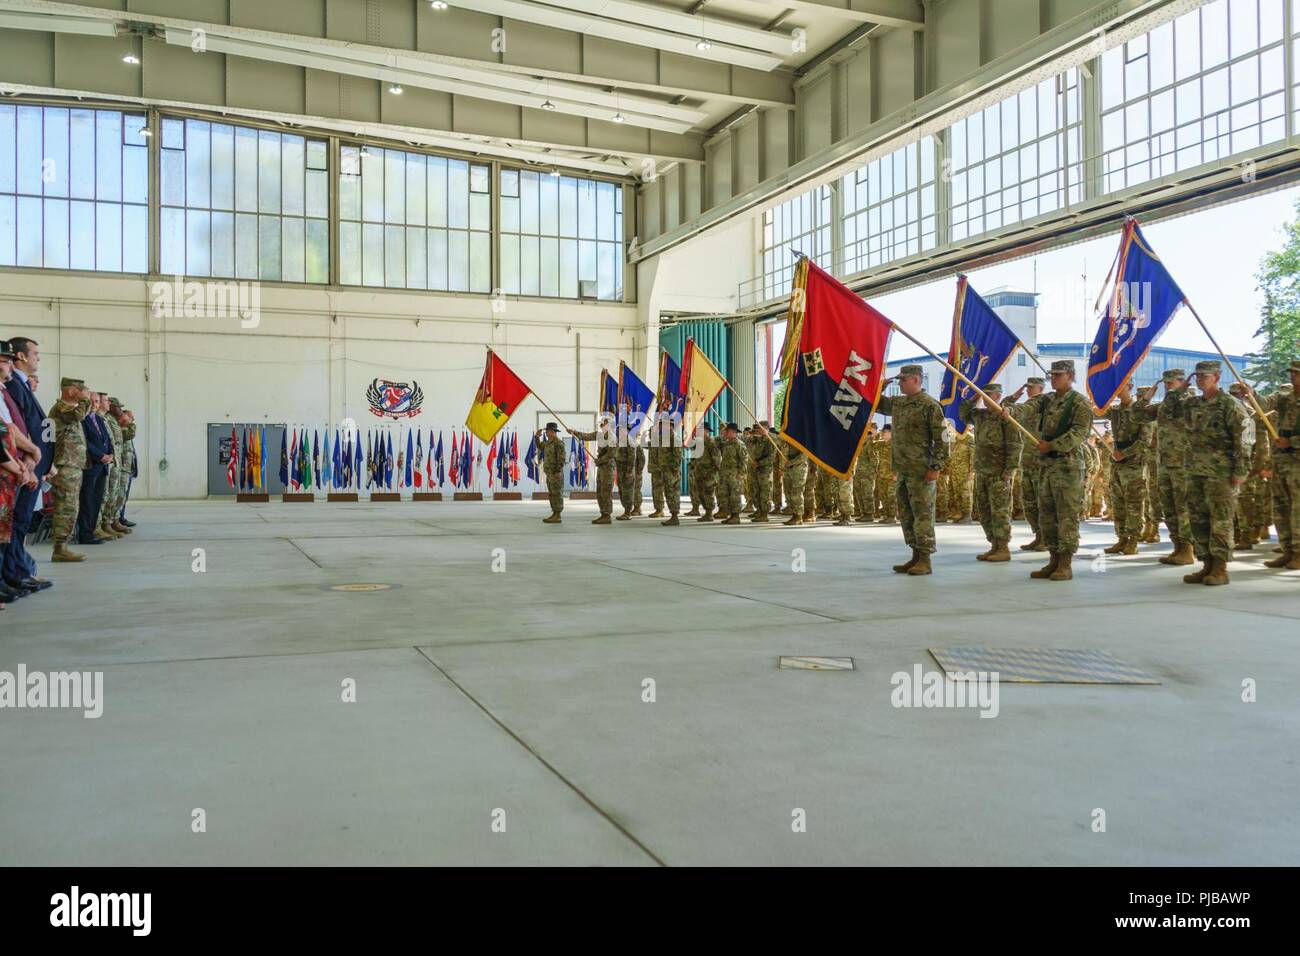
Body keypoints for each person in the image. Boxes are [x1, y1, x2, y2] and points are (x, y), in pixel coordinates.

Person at [1010, 359, 1094, 581]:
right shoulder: (1047, 400)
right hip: (1046, 465)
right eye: (1052, 375)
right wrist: (1008, 410)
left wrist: (1053, 445)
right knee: (1046, 513)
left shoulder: (1079, 402)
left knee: (1066, 514)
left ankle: (1065, 563)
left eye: (1058, 375)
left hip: (1068, 466)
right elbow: (1029, 407)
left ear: (1070, 376)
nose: (1053, 379)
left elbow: (1079, 433)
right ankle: (1053, 559)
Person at [1180, 361, 1249, 586]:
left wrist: (1240, 470)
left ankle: (1220, 568)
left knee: (1220, 520)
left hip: (1221, 472)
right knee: (1199, 520)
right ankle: (1206, 564)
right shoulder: (1192, 404)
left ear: (1217, 377)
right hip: (1195, 470)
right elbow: (1169, 410)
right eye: (1197, 376)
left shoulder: (1230, 404)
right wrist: (1180, 389)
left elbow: (1244, 438)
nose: (1200, 380)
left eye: (1205, 376)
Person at [875, 365, 948, 575]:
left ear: (916, 380)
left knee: (923, 514)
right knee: (907, 515)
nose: (899, 383)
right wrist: (879, 387)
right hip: (903, 469)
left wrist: (935, 466)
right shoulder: (899, 403)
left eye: (903, 380)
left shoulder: (929, 405)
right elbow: (876, 404)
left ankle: (925, 559)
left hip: (921, 470)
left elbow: (943, 439)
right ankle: (915, 554)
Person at [2, 336, 54, 593]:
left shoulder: (19, 387)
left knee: (19, 523)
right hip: (20, 464)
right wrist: (29, 459)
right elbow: (14, 427)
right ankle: (14, 576)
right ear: (21, 356)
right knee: (15, 524)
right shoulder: (13, 387)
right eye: (35, 353)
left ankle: (18, 572)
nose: (38, 358)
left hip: (29, 464)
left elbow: (28, 425)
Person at [1134, 368, 1194, 564]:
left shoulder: (1190, 403)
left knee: (1182, 508)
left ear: (1182, 382)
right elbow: (1138, 415)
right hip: (1165, 463)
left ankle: (1188, 549)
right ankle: (1178, 547)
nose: (1168, 386)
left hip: (1183, 465)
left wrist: (1178, 393)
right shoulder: (1164, 406)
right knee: (1169, 508)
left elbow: (1178, 405)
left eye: (1172, 383)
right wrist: (1145, 399)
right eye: (1166, 383)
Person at [1245, 360, 1299, 570]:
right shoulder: (1284, 399)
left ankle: (1299, 553)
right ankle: (1287, 551)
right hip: (1281, 462)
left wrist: (1292, 442)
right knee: (1281, 508)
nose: (1292, 376)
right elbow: (1263, 404)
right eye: (1291, 372)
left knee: (1297, 510)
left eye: (1296, 373)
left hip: (1297, 462)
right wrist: (1250, 392)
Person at [959, 383, 1021, 562]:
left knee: (1000, 510)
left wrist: (1009, 470)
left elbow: (1015, 444)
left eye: (987, 395)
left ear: (997, 396)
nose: (984, 399)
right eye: (982, 395)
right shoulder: (980, 415)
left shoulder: (1005, 416)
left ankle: (1003, 547)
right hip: (982, 470)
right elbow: (963, 413)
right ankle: (993, 545)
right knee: (984, 510)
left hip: (999, 472)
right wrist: (973, 396)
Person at [1101, 380, 1153, 556]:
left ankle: (1133, 541)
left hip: (1134, 464)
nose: (1117, 392)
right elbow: (1097, 410)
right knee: (1118, 502)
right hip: (1118, 463)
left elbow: (1145, 441)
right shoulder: (1115, 411)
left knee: (1134, 504)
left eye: (1120, 387)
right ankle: (1121, 538)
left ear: (1129, 387)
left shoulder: (1140, 411)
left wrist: (1125, 453)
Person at [49, 377, 93, 562]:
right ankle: (60, 547)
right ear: (70, 391)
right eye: (80, 389)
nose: (84, 392)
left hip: (73, 465)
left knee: (71, 506)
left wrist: (85, 402)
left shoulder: (69, 409)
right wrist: (85, 400)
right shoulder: (62, 408)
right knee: (66, 507)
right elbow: (78, 416)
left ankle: (62, 545)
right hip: (65, 465)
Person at [1007, 376, 1048, 550]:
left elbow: (1017, 410)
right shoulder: (1026, 407)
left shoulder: (1044, 405)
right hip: (1028, 462)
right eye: (1027, 387)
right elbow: (1005, 408)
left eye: (1032, 387)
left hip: (1041, 463)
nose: (1029, 390)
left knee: (1042, 502)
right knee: (1029, 503)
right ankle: (1038, 536)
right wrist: (1013, 397)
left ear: (1041, 388)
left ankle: (1046, 538)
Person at [570, 418, 616, 524]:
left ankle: (607, 515)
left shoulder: (612, 437)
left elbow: (611, 454)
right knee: (600, 491)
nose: (601, 426)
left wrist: (600, 460)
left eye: (603, 424)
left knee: (606, 492)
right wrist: (574, 432)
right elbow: (586, 436)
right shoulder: (600, 435)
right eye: (600, 425)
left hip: (608, 468)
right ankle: (603, 513)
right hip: (601, 467)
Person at [717, 422, 748, 525]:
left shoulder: (739, 444)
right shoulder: (727, 443)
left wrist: (741, 473)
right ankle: (730, 515)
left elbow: (744, 460)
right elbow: (717, 444)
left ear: (732, 432)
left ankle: (736, 516)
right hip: (726, 474)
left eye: (727, 431)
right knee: (726, 495)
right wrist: (722, 434)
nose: (725, 432)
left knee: (735, 496)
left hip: (735, 474)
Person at [536, 422, 567, 524]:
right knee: (552, 494)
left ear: (554, 432)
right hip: (549, 473)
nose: (547, 433)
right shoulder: (548, 443)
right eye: (546, 431)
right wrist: (537, 437)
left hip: (555, 473)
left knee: (557, 494)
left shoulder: (558, 443)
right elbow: (540, 446)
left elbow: (561, 458)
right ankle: (554, 513)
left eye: (548, 431)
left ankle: (557, 515)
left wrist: (558, 471)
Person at [693, 421, 722, 522]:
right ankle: (706, 512)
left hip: (709, 473)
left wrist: (715, 472)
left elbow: (717, 459)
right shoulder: (699, 442)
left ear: (706, 431)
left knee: (708, 494)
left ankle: (709, 513)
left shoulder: (711, 442)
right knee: (701, 494)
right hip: (700, 472)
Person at [747, 421, 776, 523]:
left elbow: (772, 457)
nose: (757, 430)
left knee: (765, 492)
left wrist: (759, 463)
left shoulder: (771, 440)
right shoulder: (758, 439)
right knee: (756, 491)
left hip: (765, 471)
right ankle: (759, 511)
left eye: (760, 428)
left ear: (766, 428)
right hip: (756, 470)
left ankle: (764, 514)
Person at [853, 423, 877, 522]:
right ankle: (863, 513)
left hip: (867, 473)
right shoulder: (860, 443)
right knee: (859, 493)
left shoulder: (870, 442)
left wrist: (871, 473)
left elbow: (874, 459)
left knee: (867, 493)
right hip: (859, 472)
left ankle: (869, 514)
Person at [780, 439, 807, 526]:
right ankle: (794, 515)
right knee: (788, 493)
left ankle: (798, 516)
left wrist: (792, 462)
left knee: (796, 493)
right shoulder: (786, 439)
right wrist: (782, 467)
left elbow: (804, 455)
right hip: (787, 469)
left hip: (799, 469)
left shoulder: (802, 438)